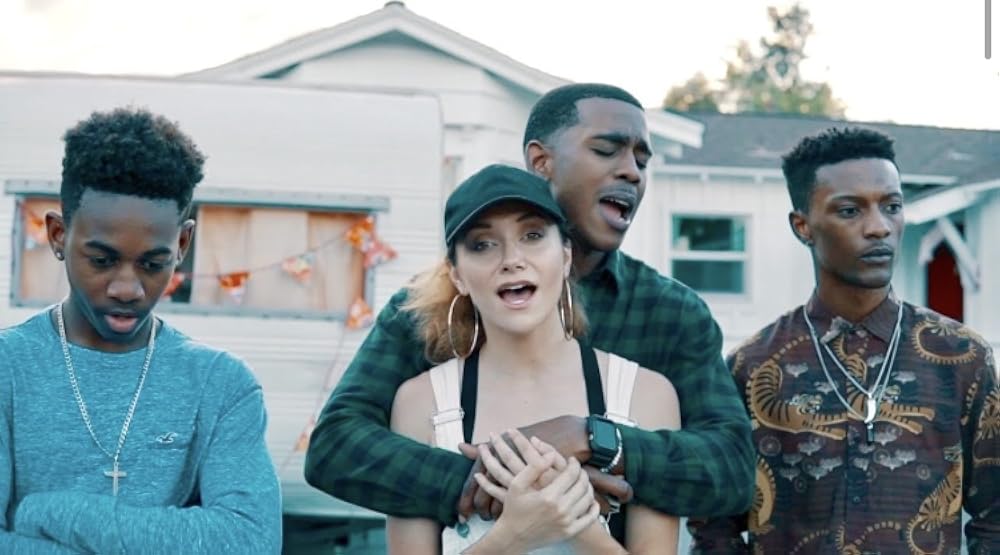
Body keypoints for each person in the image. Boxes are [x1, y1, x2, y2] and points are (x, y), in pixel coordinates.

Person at [305, 83, 753, 526]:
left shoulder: (671, 314)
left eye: (641, 159)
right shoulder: (427, 308)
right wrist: (492, 481)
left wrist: (595, 439)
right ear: (541, 163)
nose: (631, 172)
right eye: (607, 150)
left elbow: (732, 469)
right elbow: (335, 446)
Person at [688, 127, 1000, 553]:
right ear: (803, 226)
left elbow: (994, 518)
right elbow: (713, 526)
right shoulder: (753, 366)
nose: (879, 227)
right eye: (851, 211)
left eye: (892, 207)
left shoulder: (960, 357)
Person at [0, 108, 283, 553]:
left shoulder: (221, 383)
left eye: (153, 264)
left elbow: (251, 540)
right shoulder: (9, 368)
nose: (127, 288)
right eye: (101, 260)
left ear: (182, 244)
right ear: (57, 235)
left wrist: (47, 512)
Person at [387, 164, 680, 553]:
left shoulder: (647, 395)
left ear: (566, 255)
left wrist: (577, 523)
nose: (512, 259)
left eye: (533, 236)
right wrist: (514, 534)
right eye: (482, 244)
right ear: (457, 275)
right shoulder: (420, 403)